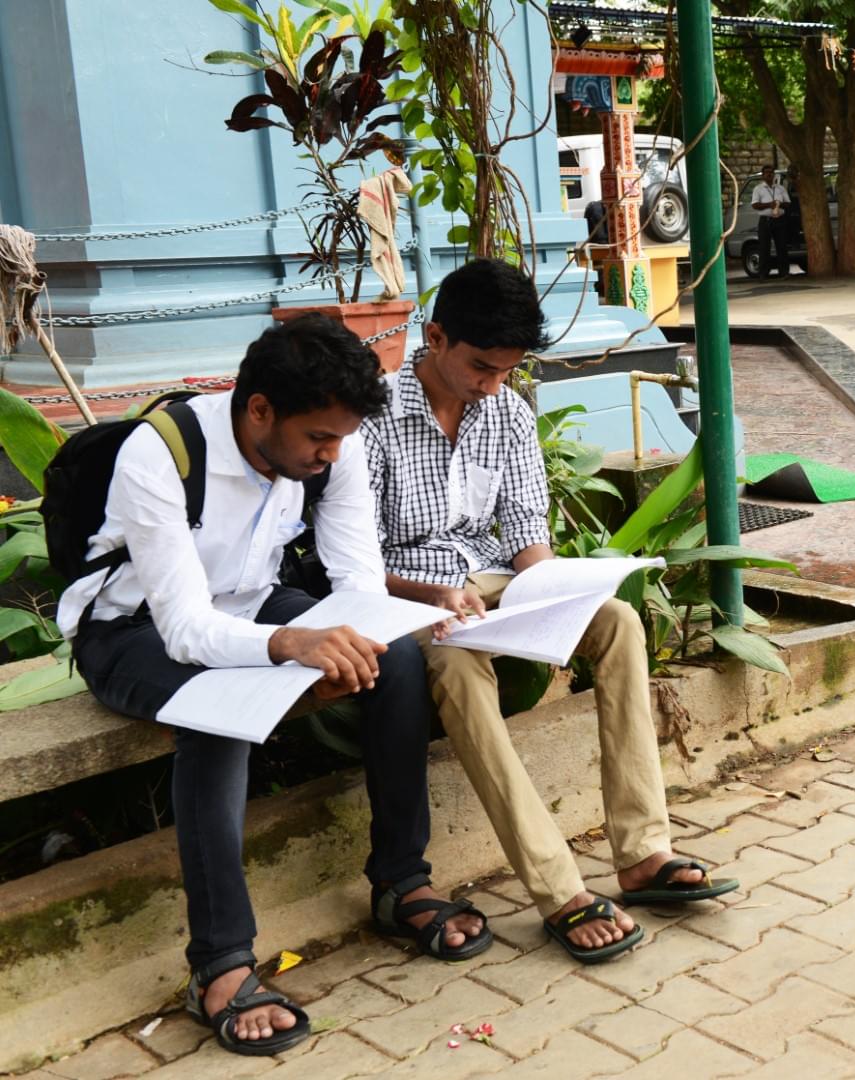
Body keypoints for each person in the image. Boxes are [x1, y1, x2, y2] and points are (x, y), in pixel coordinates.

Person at [60, 316, 479, 1056]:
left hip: (253, 603)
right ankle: (219, 965)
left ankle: (400, 883)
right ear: (259, 410)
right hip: (133, 632)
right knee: (220, 708)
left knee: (397, 660)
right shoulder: (161, 454)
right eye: (318, 437)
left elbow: (354, 585)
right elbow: (188, 630)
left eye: (340, 438)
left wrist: (339, 649)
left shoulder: (330, 449)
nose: (332, 455)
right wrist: (289, 647)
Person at [360, 260, 738, 966]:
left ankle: (640, 851)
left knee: (617, 622)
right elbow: (351, 558)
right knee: (453, 664)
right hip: (407, 597)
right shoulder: (373, 417)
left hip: (497, 585)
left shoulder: (505, 409)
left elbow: (526, 532)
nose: (491, 384)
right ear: (436, 337)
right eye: (480, 366)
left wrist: (551, 601)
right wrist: (433, 596)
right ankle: (556, 888)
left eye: (506, 370)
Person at [751, 164, 791, 277]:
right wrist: (769, 205)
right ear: (763, 175)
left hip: (779, 220)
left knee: (781, 246)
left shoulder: (780, 188)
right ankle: (763, 273)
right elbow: (755, 205)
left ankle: (784, 272)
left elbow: (788, 203)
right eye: (767, 172)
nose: (769, 174)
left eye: (771, 172)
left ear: (774, 175)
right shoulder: (758, 189)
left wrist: (779, 204)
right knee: (764, 247)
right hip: (765, 220)